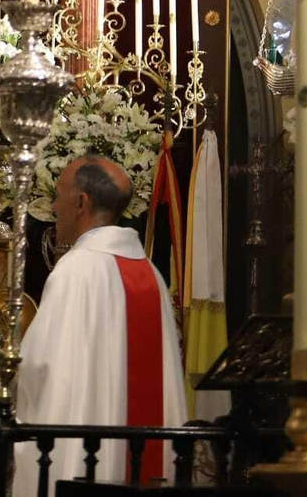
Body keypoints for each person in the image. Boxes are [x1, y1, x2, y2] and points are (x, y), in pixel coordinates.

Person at [14, 156, 186, 492]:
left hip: (85, 456)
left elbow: (40, 369)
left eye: (57, 195)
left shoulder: (74, 271)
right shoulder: (151, 274)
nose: (53, 207)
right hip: (140, 457)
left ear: (81, 203)